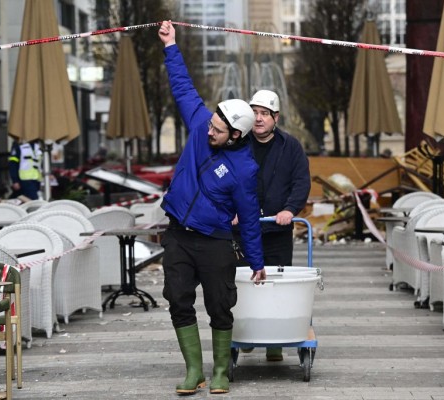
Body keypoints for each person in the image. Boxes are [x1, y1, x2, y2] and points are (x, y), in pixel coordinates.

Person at [158, 21, 266, 395]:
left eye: (218, 131)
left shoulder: (244, 169)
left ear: (237, 136)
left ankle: (220, 370)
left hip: (215, 241)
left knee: (220, 307)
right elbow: (183, 86)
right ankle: (194, 370)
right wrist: (171, 45)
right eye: (211, 124)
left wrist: (256, 262)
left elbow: (249, 218)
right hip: (178, 235)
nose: (209, 131)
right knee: (177, 300)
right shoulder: (202, 120)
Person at [234, 89, 311, 361]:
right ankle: (245, 333)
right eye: (254, 113)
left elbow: (301, 182)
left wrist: (290, 209)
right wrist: (232, 211)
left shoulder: (290, 147)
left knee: (277, 283)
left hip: (277, 231)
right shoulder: (239, 144)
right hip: (244, 230)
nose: (258, 119)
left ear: (275, 117)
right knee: (244, 282)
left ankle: (275, 343)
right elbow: (228, 179)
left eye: (264, 113)